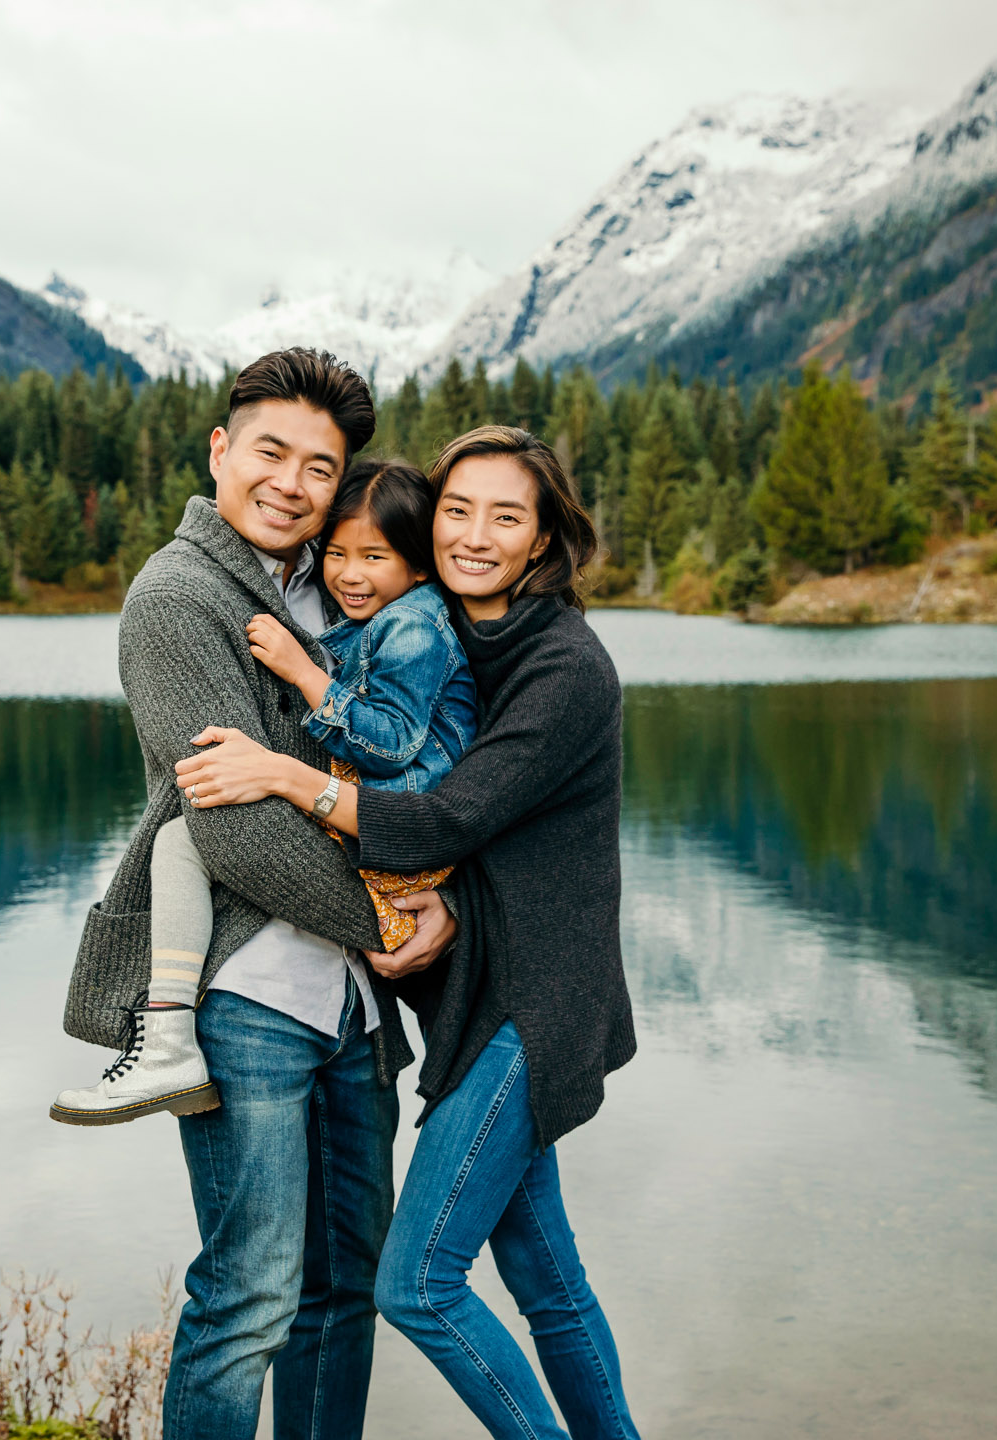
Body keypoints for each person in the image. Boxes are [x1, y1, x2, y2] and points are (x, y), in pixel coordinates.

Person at [174, 425, 641, 1439]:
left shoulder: (563, 667)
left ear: (543, 538)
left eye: (505, 517)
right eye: (457, 512)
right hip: (481, 993)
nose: (475, 536)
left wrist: (286, 775)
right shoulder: (461, 632)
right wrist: (452, 904)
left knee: (417, 1284)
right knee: (544, 1274)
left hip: (532, 1004)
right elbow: (488, 834)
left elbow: (451, 818)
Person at [56, 349, 458, 1440]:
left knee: (346, 1290)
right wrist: (380, 919)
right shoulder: (177, 597)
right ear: (221, 450)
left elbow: (409, 755)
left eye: (320, 467)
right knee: (249, 1298)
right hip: (246, 1000)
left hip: (351, 1013)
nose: (291, 482)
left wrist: (440, 900)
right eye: (272, 452)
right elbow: (228, 829)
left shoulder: (340, 586)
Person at [53, 458, 476, 1124]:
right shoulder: (208, 592)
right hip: (379, 851)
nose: (349, 572)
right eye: (337, 553)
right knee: (181, 838)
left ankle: (165, 1034)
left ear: (419, 565)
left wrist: (304, 675)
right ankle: (165, 1031)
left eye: (373, 555)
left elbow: (388, 740)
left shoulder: (415, 625)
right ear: (221, 451)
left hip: (399, 836)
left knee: (182, 837)